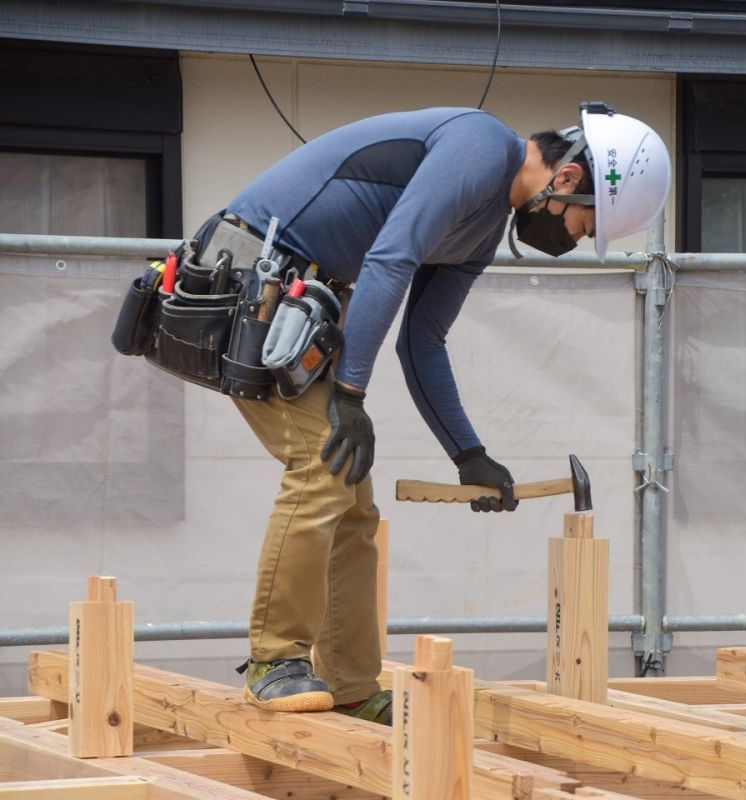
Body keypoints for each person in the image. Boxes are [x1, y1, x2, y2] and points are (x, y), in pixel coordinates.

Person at [187, 102, 670, 723]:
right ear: (568, 181)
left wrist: (468, 454)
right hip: (244, 281)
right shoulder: (476, 146)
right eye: (581, 228)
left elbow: (422, 339)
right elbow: (392, 256)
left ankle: (353, 687)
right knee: (321, 465)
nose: (570, 242)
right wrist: (351, 395)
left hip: (296, 303)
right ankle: (273, 660)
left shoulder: (480, 229)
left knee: (352, 499)